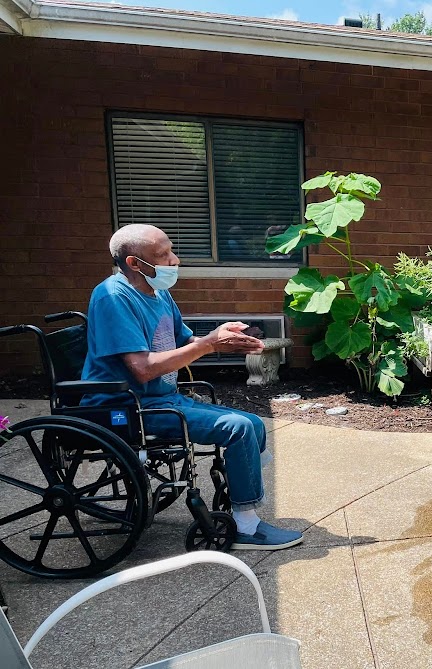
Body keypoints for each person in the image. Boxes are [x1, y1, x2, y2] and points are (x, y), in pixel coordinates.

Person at [81, 223, 303, 551]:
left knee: (254, 424)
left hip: (162, 399)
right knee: (240, 429)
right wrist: (209, 345)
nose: (175, 260)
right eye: (163, 255)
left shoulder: (159, 293)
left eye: (171, 250)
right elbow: (142, 370)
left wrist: (224, 340)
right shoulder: (113, 297)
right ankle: (245, 526)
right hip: (125, 406)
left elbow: (187, 341)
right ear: (134, 263)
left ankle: (241, 498)